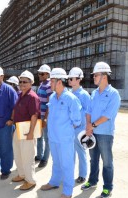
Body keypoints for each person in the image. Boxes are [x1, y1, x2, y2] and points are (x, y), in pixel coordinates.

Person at [81, 62, 121, 198]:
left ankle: (107, 188)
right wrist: (88, 125)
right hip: (92, 132)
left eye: (96, 75)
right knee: (93, 160)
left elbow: (107, 115)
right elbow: (89, 111)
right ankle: (92, 181)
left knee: (107, 162)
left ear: (104, 76)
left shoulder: (114, 94)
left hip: (105, 134)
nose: (93, 77)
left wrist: (91, 125)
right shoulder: (94, 93)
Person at [40, 68, 81, 198]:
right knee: (56, 162)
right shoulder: (52, 97)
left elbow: (77, 120)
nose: (50, 83)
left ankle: (68, 191)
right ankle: (54, 182)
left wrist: (65, 130)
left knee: (67, 164)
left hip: (65, 139)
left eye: (52, 81)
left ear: (59, 82)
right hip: (53, 137)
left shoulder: (71, 98)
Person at [11, 70, 40, 190]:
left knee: (28, 156)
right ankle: (22, 174)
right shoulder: (19, 94)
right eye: (20, 81)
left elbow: (34, 115)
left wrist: (31, 133)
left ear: (31, 83)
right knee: (18, 154)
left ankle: (30, 180)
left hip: (28, 129)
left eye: (25, 82)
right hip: (18, 127)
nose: (22, 83)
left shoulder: (32, 97)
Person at [67, 67, 90, 183]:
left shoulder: (84, 95)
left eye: (71, 78)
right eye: (69, 78)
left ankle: (82, 175)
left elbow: (88, 113)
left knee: (81, 152)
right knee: (70, 153)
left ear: (78, 79)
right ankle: (69, 174)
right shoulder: (69, 94)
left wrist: (87, 129)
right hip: (70, 129)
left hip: (80, 129)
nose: (69, 80)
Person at [35, 64, 52, 168]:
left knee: (46, 138)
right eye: (39, 73)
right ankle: (39, 155)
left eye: (41, 73)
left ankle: (45, 158)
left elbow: (49, 104)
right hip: (39, 115)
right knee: (39, 137)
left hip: (45, 116)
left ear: (47, 74)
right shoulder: (42, 84)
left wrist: (45, 118)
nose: (39, 75)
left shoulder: (49, 86)